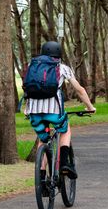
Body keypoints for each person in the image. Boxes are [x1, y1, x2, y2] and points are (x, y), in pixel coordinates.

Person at [24, 41, 96, 178]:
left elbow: (28, 88)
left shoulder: (32, 66)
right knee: (65, 130)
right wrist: (89, 107)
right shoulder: (62, 68)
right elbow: (80, 90)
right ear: (59, 54)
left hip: (34, 111)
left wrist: (27, 108)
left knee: (43, 139)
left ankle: (41, 176)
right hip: (54, 111)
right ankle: (64, 163)